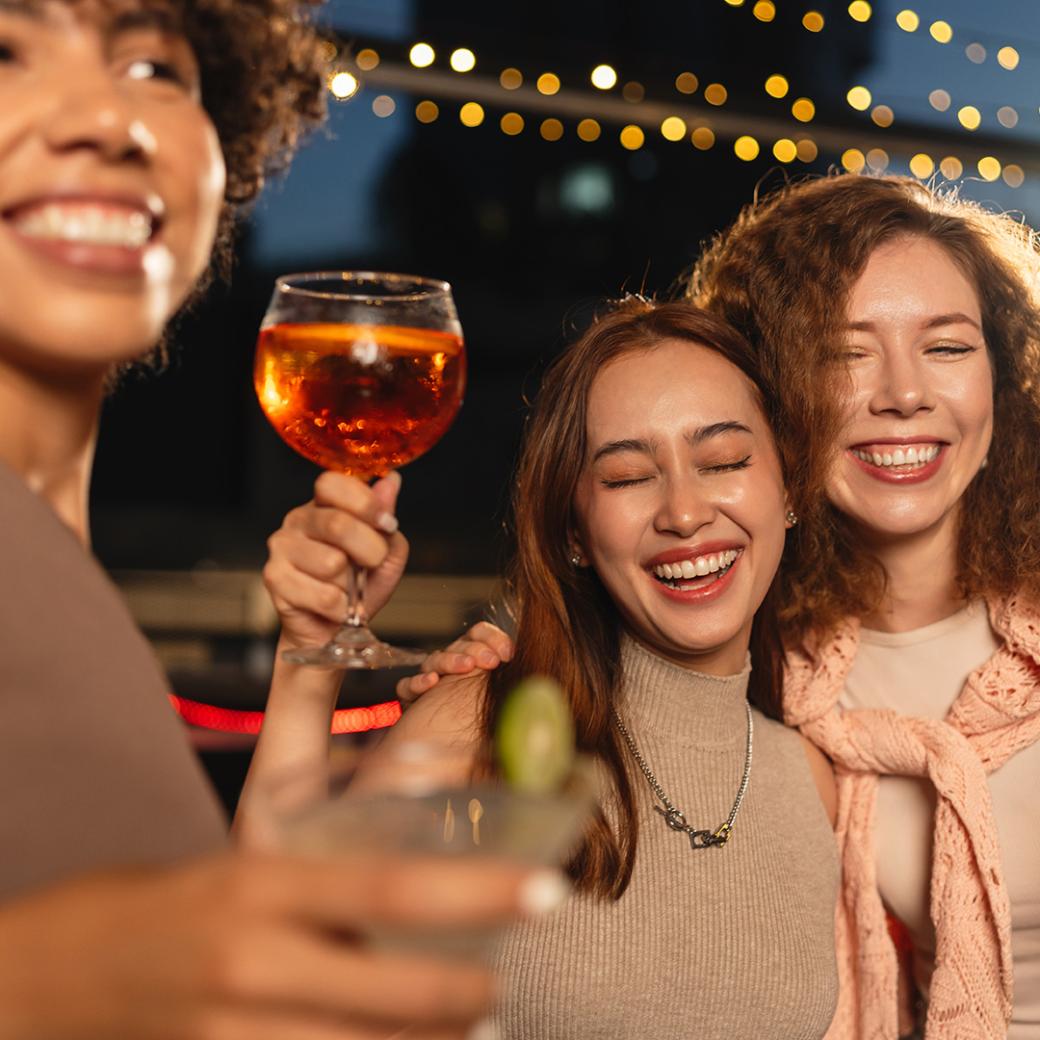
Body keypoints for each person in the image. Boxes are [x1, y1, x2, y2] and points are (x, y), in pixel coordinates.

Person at [0, 2, 565, 1036]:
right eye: (5, 50)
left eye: (154, 68)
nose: (106, 116)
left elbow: (212, 929)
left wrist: (313, 663)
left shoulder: (54, 570)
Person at [412, 174, 1040, 1039]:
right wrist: (488, 684)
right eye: (845, 353)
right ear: (776, 414)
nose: (903, 392)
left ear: (1005, 379)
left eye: (947, 347)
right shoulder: (756, 662)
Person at [256, 299, 841, 1038]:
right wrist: (306, 667)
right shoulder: (480, 732)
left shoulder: (811, 783)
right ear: (573, 530)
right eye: (629, 476)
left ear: (787, 488)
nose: (685, 512)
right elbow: (273, 983)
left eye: (724, 461)